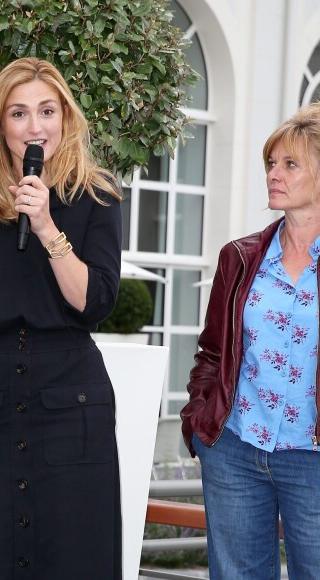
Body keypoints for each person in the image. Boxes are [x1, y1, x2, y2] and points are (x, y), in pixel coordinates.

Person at [0, 57, 123, 579]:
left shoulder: (96, 196)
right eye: (19, 113)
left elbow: (97, 302)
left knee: (71, 554)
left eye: (46, 111)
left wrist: (46, 228)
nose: (34, 126)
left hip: (69, 394)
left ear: (65, 118)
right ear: (0, 125)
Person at [181, 102, 320, 579]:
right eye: (271, 163)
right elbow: (212, 352)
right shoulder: (239, 258)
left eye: (290, 164)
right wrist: (199, 425)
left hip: (313, 457)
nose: (273, 174)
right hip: (235, 449)